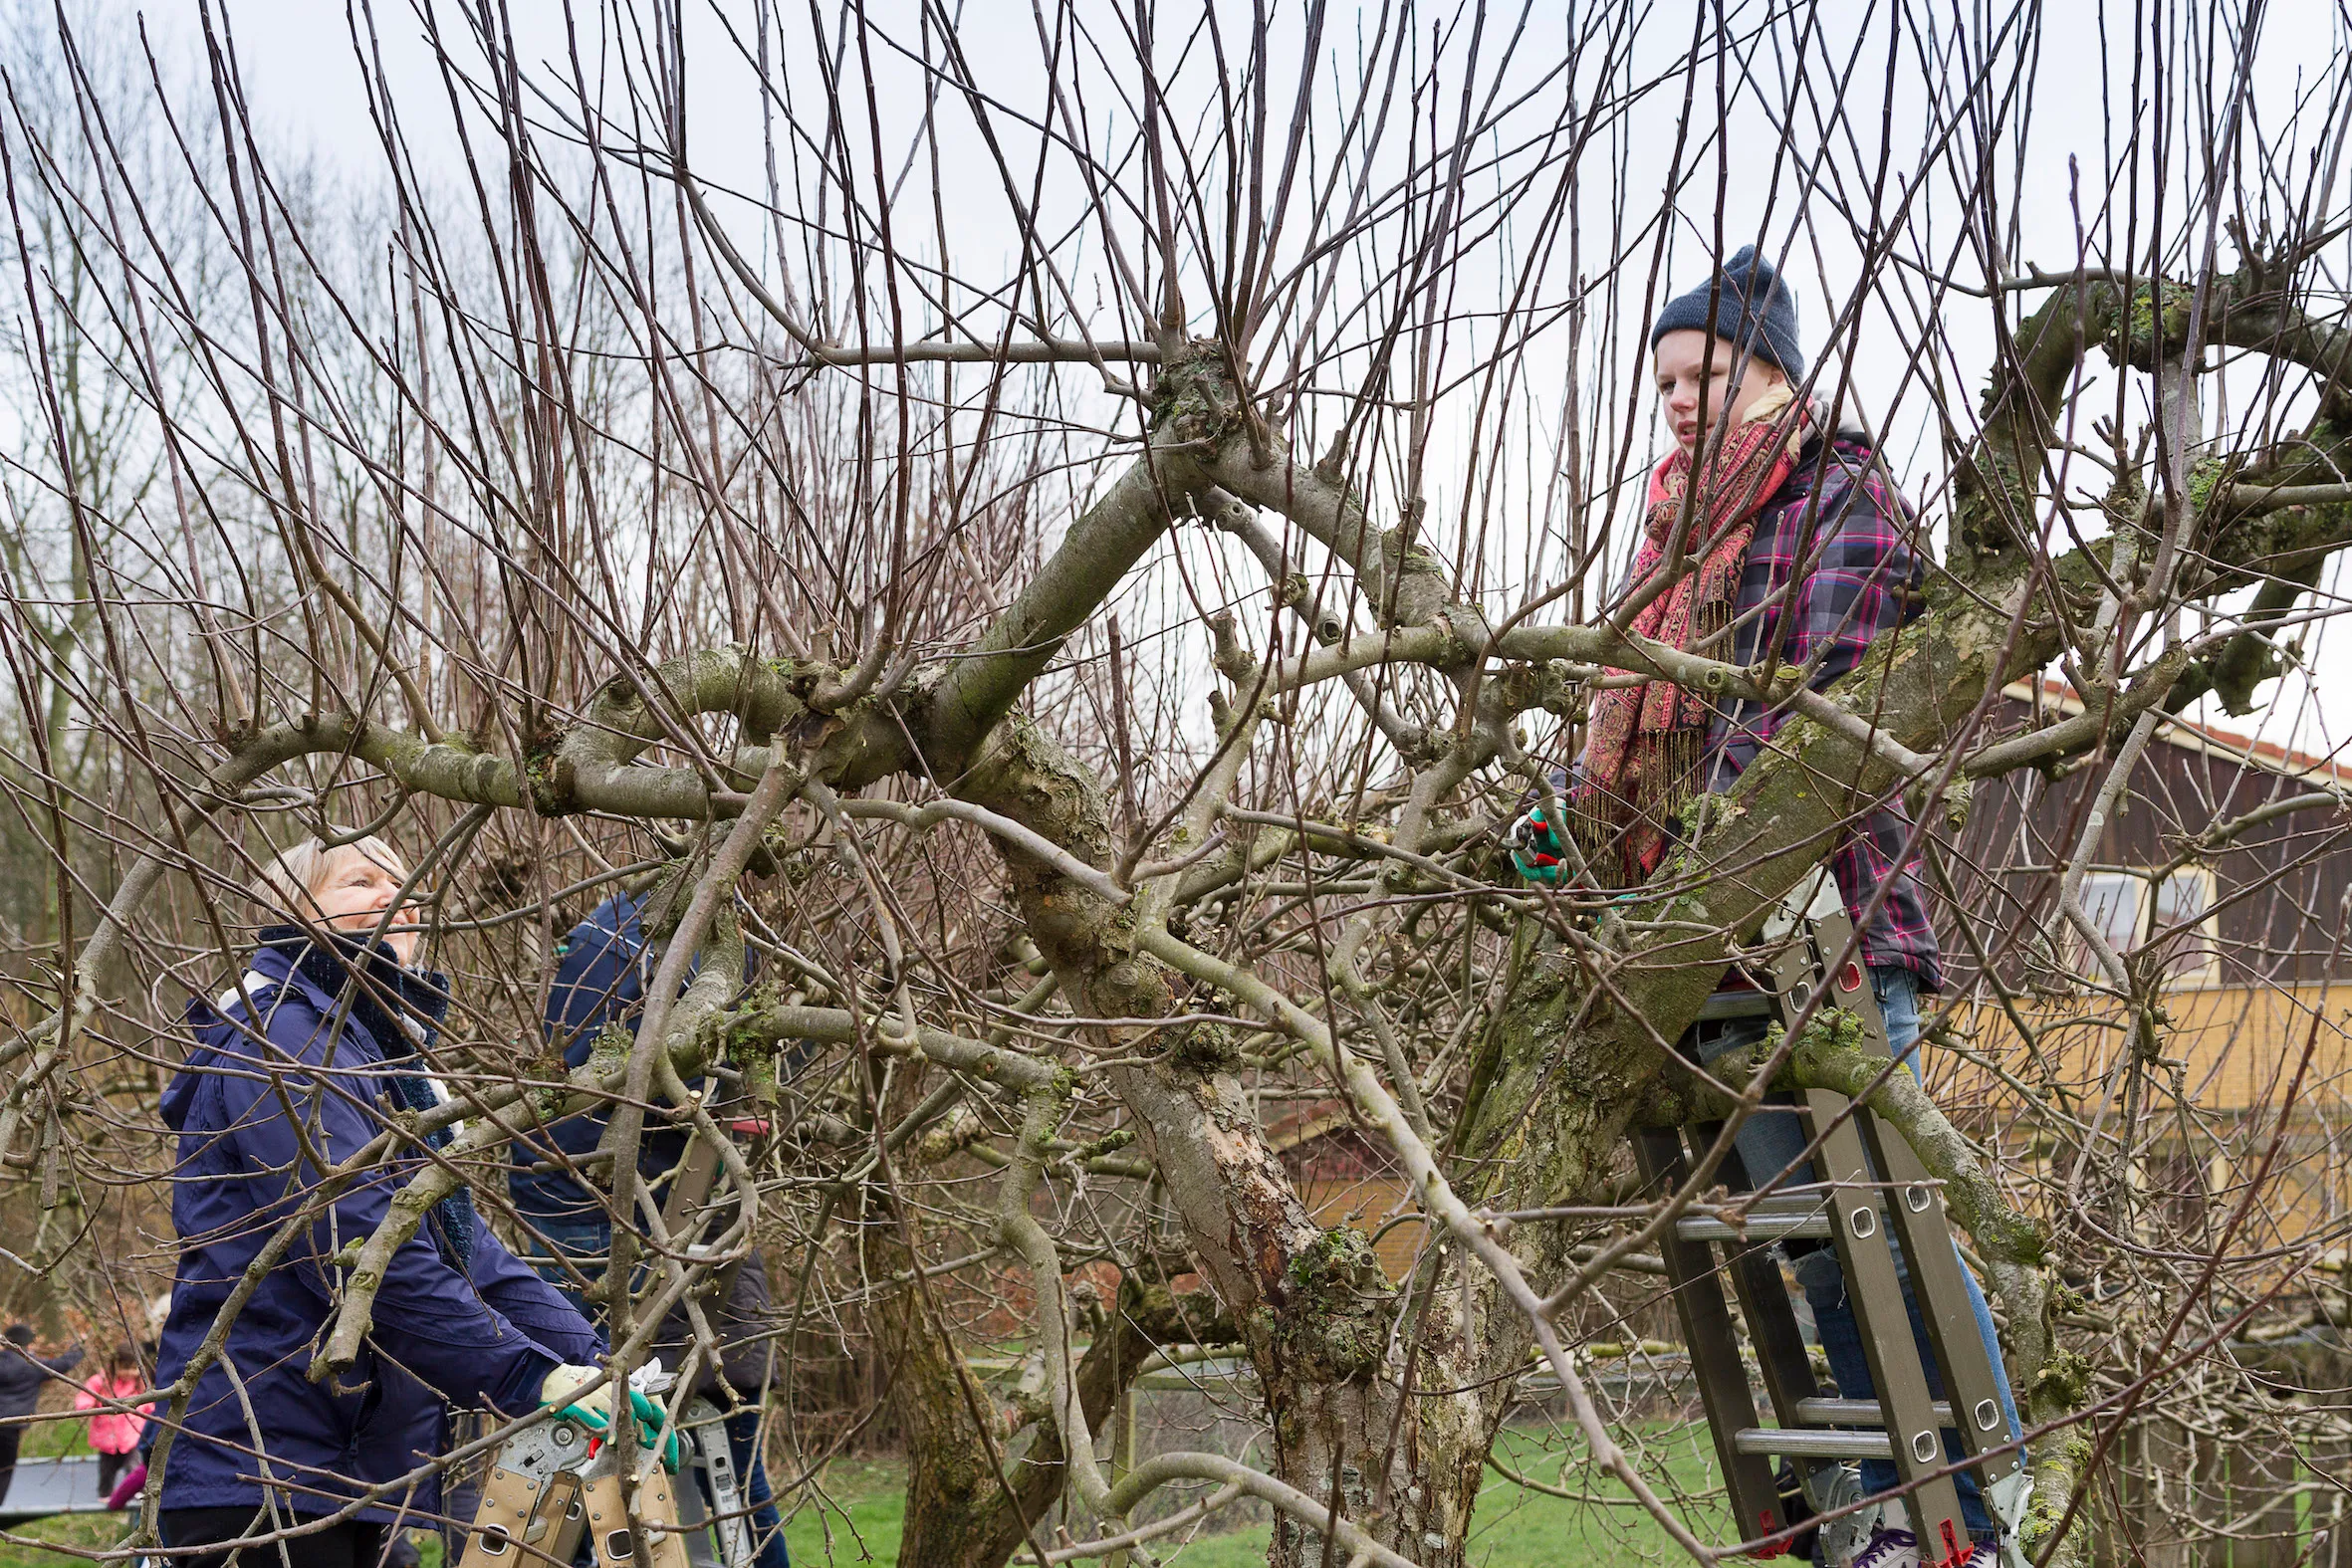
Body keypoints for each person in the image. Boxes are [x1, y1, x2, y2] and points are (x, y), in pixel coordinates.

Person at [1518, 246, 2020, 1568]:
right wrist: (1577, 822)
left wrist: (1699, 858)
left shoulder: (1840, 495)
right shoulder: (1668, 540)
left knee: (1886, 1231)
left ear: (1773, 374)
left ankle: (1977, 1512)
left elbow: (1822, 712)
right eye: (1664, 382)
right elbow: (1629, 719)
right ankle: (1886, 1513)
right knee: (1811, 1249)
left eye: (1704, 374)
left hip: (1827, 930)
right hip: (1706, 949)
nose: (1679, 400)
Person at [150, 835, 619, 1568]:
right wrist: (529, 1375)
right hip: (259, 1467)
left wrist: (592, 1360)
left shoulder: (375, 1055)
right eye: (360, 881)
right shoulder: (283, 1038)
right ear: (291, 912)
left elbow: (467, 1255)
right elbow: (358, 1247)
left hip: (343, 1467)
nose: (395, 898)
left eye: (403, 883)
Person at [510, 890, 792, 1568]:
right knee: (663, 1484)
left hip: (652, 1256)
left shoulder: (613, 935)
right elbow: (751, 1108)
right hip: (650, 1254)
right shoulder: (687, 944)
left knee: (601, 1484)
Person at [0, 1323, 82, 1504]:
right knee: (5, 1469)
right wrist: (78, 1349)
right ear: (27, 1343)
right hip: (13, 1426)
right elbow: (61, 1365)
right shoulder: (32, 1365)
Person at [74, 1342, 147, 1497]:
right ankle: (105, 1494)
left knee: (133, 1466)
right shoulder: (101, 1381)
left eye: (134, 1368)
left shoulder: (139, 1383)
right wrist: (87, 1406)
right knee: (107, 1470)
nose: (129, 1373)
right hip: (107, 1437)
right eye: (125, 1368)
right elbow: (85, 1396)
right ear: (115, 1364)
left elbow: (148, 1405)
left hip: (131, 1436)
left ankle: (137, 1493)